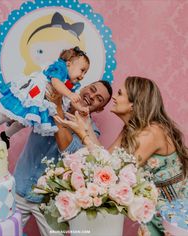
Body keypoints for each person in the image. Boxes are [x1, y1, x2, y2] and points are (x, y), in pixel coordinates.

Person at [55, 76, 188, 236]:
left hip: (176, 214)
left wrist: (83, 134)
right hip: (158, 211)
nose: (115, 98)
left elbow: (113, 173)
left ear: (133, 104)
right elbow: (105, 160)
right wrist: (86, 124)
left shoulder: (151, 132)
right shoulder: (131, 130)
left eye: (119, 93)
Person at [13, 80, 112, 236]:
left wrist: (56, 106)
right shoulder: (48, 103)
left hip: (51, 202)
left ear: (100, 109)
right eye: (92, 89)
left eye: (99, 99)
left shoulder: (91, 132)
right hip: (19, 186)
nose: (92, 96)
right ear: (84, 87)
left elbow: (68, 151)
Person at [0, 47, 90, 148]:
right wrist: (70, 94)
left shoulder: (68, 83)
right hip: (34, 92)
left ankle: (6, 135)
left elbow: (72, 100)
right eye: (82, 70)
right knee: (13, 111)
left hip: (41, 99)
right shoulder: (60, 68)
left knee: (24, 121)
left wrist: (80, 108)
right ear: (68, 64)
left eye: (85, 73)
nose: (83, 76)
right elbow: (56, 82)